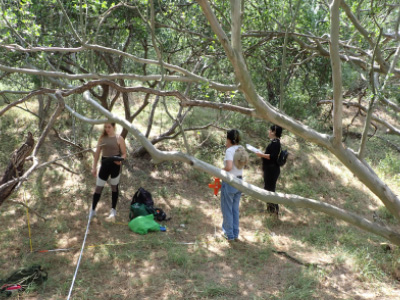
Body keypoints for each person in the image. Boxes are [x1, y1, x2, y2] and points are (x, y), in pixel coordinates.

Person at [89, 123, 127, 222]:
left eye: (109, 127)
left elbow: (124, 153)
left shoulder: (119, 138)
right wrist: (94, 167)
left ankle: (113, 211)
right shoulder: (102, 138)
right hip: (104, 165)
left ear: (114, 127)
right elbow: (97, 153)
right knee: (98, 188)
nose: (107, 129)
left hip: (115, 166)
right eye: (105, 127)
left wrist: (120, 160)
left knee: (114, 187)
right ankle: (92, 211)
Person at [220, 129, 245, 241]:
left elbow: (229, 167)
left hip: (230, 181)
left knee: (227, 208)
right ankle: (235, 233)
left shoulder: (230, 150)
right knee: (235, 209)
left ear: (229, 139)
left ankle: (228, 234)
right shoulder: (241, 149)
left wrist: (219, 170)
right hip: (240, 180)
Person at [256, 124, 282, 217]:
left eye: (270, 130)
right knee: (268, 189)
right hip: (270, 169)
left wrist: (261, 155)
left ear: (274, 132)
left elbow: (272, 156)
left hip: (272, 170)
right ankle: (271, 211)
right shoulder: (274, 142)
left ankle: (274, 212)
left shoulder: (276, 143)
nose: (268, 132)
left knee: (270, 190)